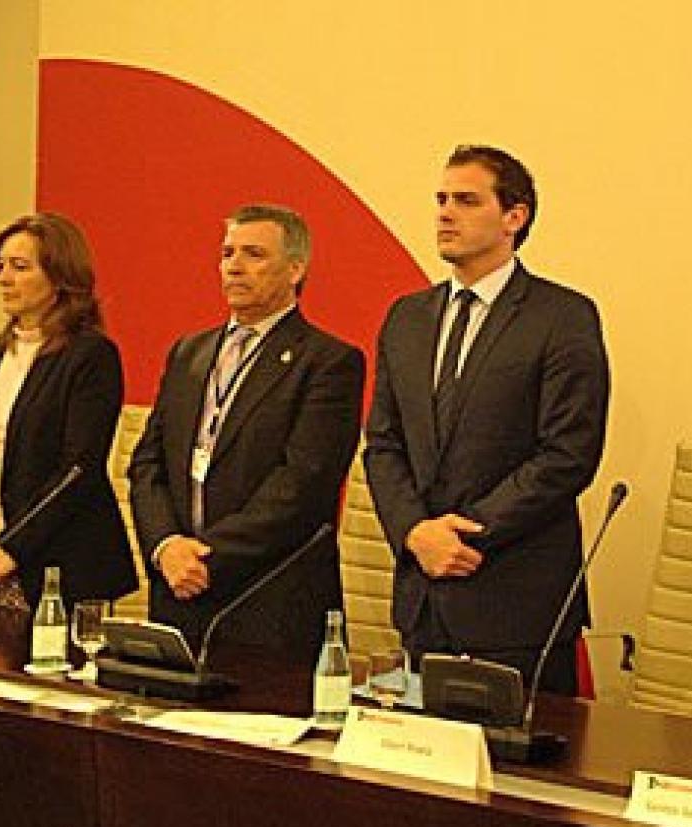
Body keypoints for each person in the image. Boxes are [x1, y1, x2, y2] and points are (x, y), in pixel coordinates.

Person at [364, 145, 610, 693]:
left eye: (467, 201)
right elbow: (383, 444)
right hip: (423, 596)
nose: (445, 214)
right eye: (441, 200)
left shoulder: (562, 316)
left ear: (514, 217)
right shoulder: (407, 317)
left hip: (513, 599)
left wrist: (464, 533)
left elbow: (567, 454)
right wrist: (416, 532)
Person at [128, 204, 363, 663]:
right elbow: (148, 463)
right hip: (178, 589)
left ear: (295, 269)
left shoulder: (328, 362)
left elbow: (302, 484)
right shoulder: (189, 352)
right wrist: (166, 546)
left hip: (267, 598)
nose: (234, 266)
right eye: (227, 253)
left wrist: (206, 557)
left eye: (254, 254)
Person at [0, 213, 136, 609]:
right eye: (0, 266)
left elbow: (78, 469)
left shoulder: (91, 355)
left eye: (20, 267)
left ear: (60, 276)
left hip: (60, 561)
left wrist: (13, 548)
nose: (4, 278)